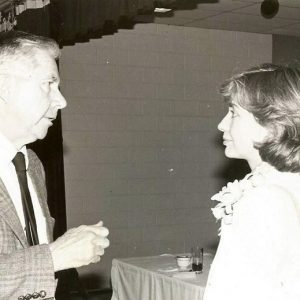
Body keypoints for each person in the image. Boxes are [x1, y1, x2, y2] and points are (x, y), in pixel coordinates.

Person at [0, 31, 109, 299]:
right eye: (49, 83)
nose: (62, 101)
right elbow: (48, 258)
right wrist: (55, 256)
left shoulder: (32, 164)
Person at [204, 63, 300, 300]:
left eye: (234, 113)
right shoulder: (283, 184)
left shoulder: (265, 198)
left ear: (271, 125)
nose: (222, 124)